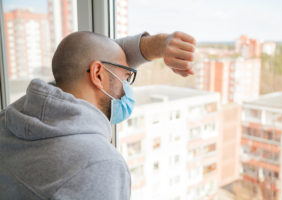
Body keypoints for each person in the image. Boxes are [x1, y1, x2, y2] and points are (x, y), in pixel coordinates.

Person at [0, 31, 196, 199]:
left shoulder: (9, 119)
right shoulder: (99, 164)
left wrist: (160, 45)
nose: (126, 88)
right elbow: (91, 53)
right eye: (126, 77)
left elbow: (79, 57)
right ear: (98, 75)